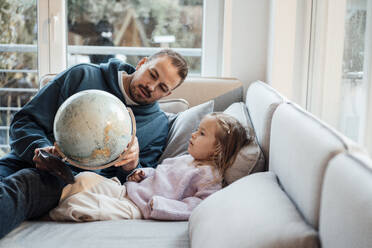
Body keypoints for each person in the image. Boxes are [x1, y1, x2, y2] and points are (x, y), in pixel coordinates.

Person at [0, 49, 188, 238]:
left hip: (64, 179)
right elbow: (23, 122)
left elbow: (139, 187)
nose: (151, 86)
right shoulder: (82, 75)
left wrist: (132, 167)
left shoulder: (158, 126)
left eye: (162, 87)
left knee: (21, 187)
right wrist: (41, 150)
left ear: (168, 93)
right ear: (142, 64)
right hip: (24, 157)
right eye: (152, 74)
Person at [49, 113, 251, 221]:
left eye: (202, 134)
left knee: (85, 205)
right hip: (127, 191)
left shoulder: (208, 175)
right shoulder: (185, 158)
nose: (193, 135)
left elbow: (199, 205)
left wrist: (162, 206)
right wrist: (144, 173)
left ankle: (51, 215)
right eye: (197, 130)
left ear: (217, 150)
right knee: (85, 179)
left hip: (139, 207)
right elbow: (162, 174)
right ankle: (49, 200)